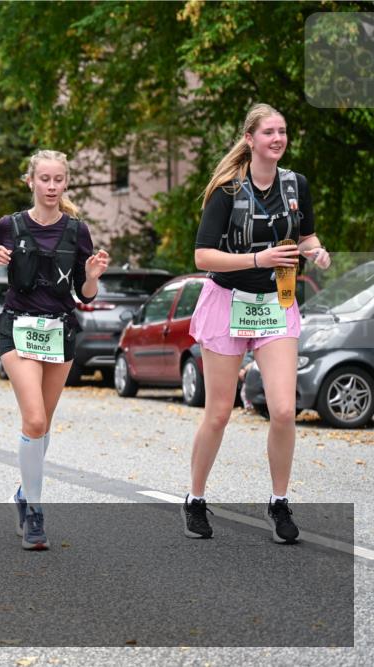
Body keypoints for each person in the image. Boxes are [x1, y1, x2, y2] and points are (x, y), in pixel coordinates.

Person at [182, 103, 331, 544]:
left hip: (275, 302)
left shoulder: (295, 185)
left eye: (282, 131)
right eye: (269, 132)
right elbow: (203, 256)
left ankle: (279, 501)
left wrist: (315, 251)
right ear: (250, 139)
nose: (278, 138)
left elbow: (305, 235)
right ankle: (194, 498)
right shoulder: (227, 190)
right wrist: (257, 258)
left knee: (284, 409)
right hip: (227, 301)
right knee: (219, 413)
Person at [0, 149, 109, 550]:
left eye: (58, 180)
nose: (51, 187)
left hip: (59, 330)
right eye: (44, 179)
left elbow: (85, 295)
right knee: (33, 420)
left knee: (43, 424)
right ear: (30, 181)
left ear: (66, 183)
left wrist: (93, 276)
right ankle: (34, 510)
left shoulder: (77, 231)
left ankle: (22, 493)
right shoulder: (9, 225)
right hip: (17, 328)